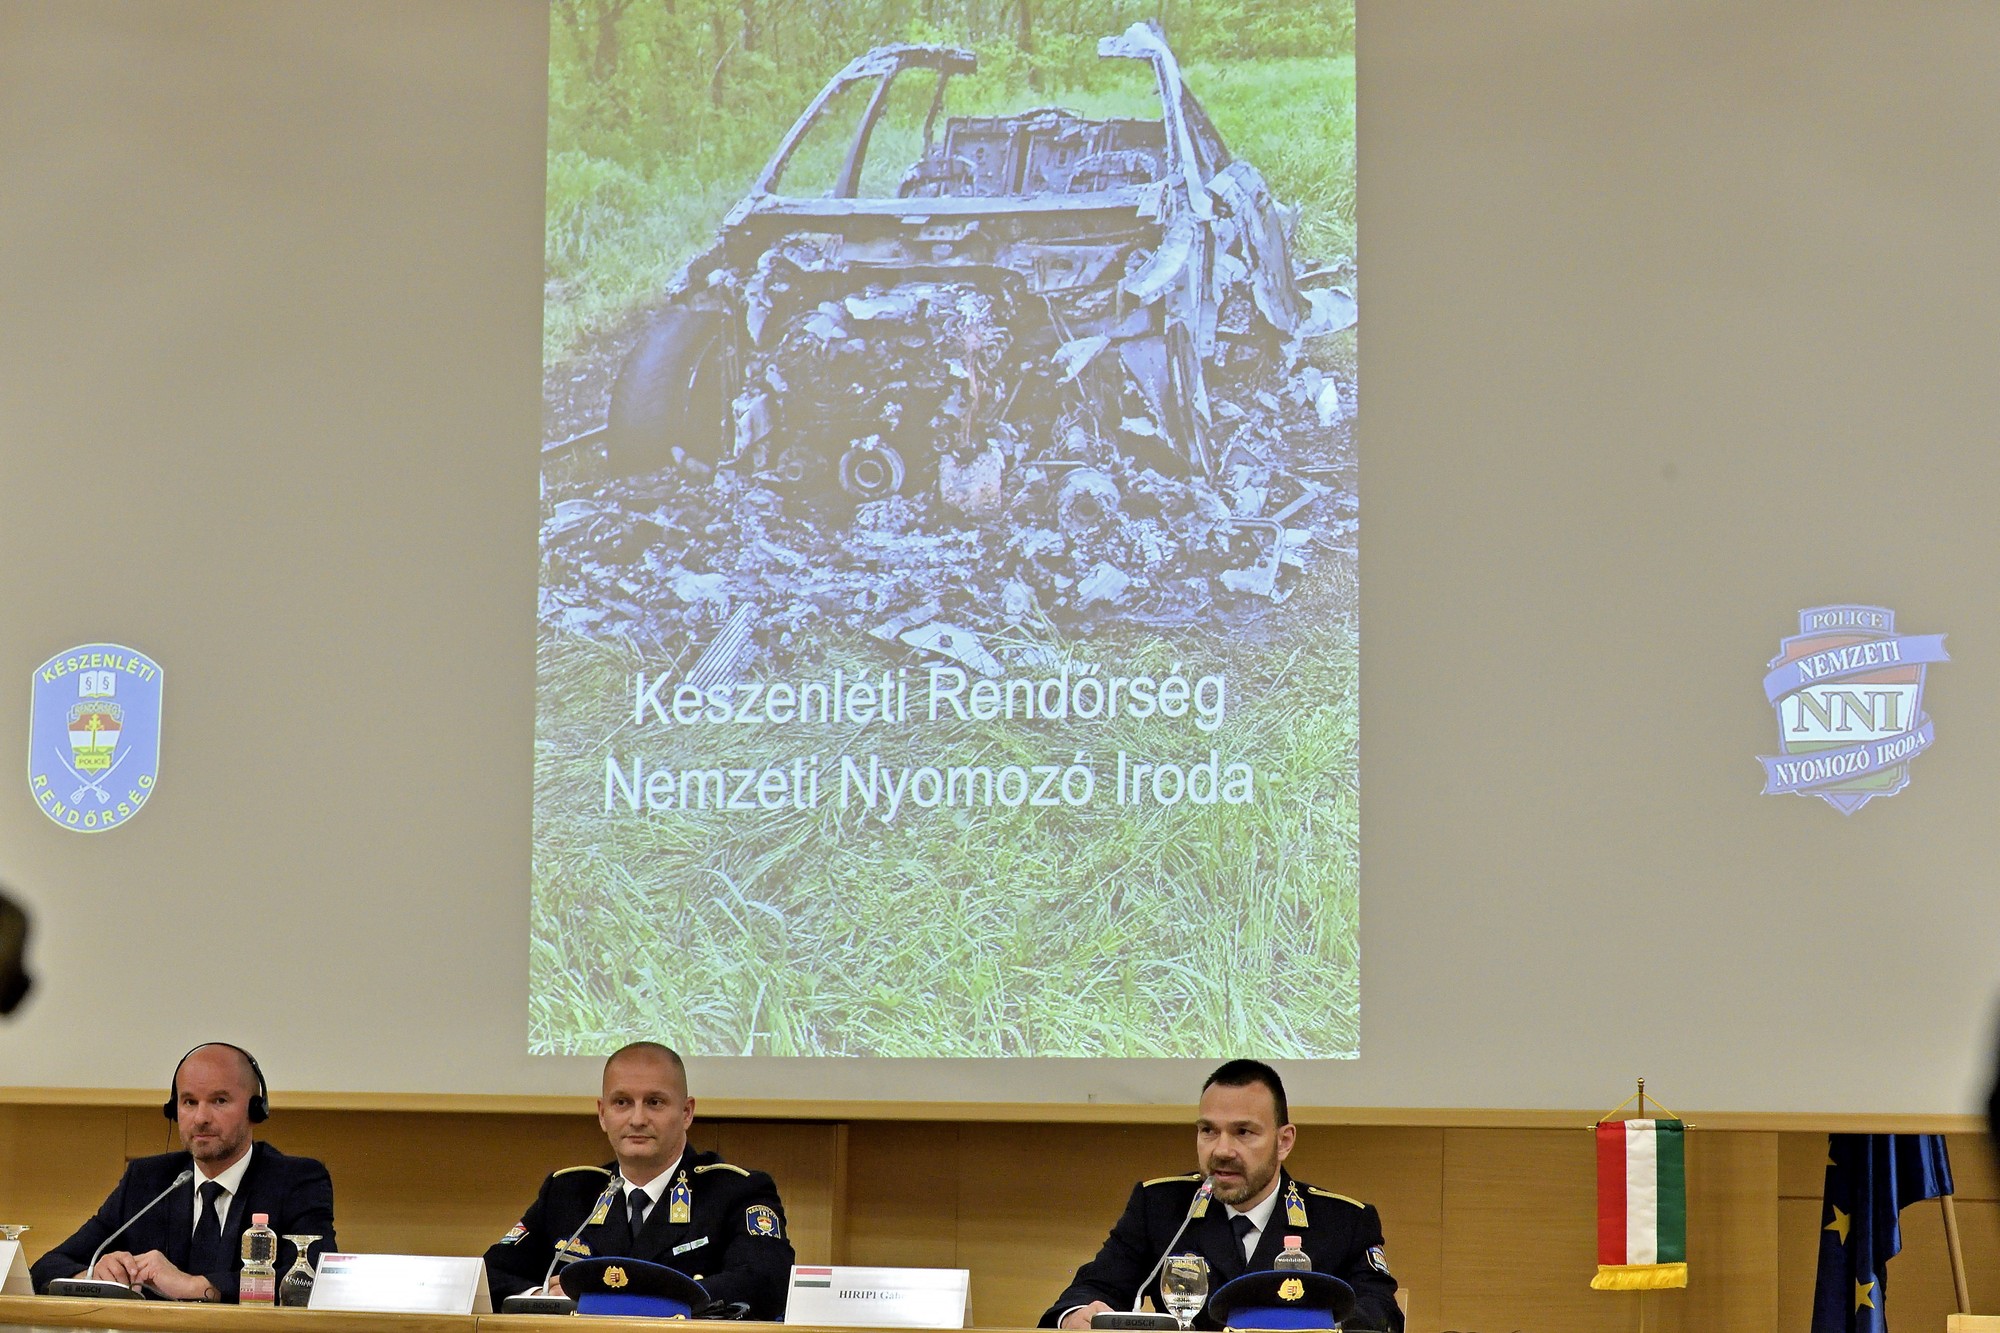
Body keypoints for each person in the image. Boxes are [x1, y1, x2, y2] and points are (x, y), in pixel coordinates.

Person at [1042, 1060, 1402, 1332]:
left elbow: (1378, 1310)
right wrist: (1077, 1316)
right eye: (1208, 1131)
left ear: (1284, 1141)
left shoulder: (1343, 1221)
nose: (1221, 1150)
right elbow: (1091, 1289)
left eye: (1243, 1132)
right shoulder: (1161, 1206)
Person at [484, 1041, 795, 1317]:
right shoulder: (568, 1192)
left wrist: (610, 1301)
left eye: (654, 1102)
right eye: (622, 1102)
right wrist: (545, 1299)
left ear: (686, 1112)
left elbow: (765, 1281)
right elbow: (489, 1274)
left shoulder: (735, 1191)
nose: (637, 1119)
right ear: (602, 1114)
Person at [31, 1043, 335, 1302]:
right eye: (189, 1102)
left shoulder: (296, 1181)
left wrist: (195, 1286)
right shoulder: (147, 1181)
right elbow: (46, 1267)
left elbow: (313, 1282)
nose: (201, 1118)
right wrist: (93, 1276)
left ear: (255, 1110)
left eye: (219, 1100)